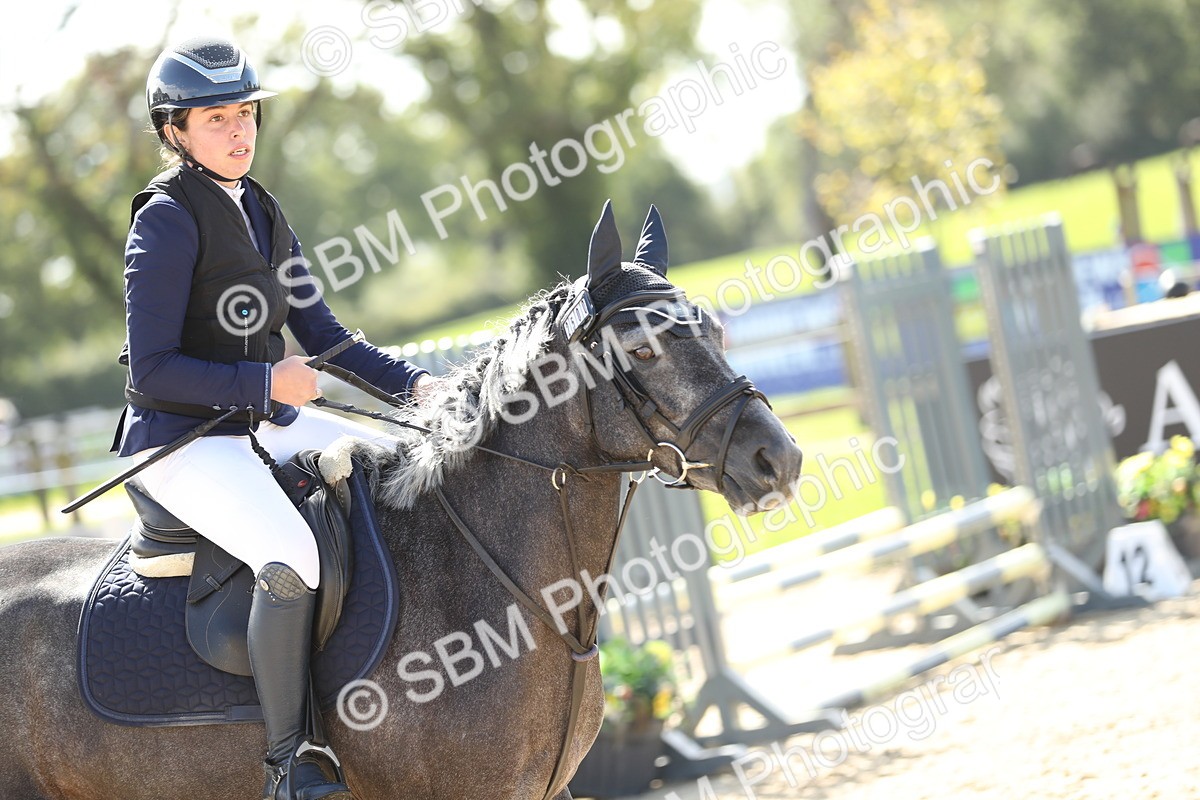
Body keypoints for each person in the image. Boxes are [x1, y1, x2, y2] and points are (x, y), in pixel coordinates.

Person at [112, 36, 428, 800]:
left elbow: (324, 336)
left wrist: (420, 391)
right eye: (216, 117)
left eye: (246, 112)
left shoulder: (259, 207)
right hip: (177, 442)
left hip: (258, 422)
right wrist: (266, 380)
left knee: (399, 465)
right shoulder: (164, 219)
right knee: (290, 553)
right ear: (174, 131)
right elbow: (152, 367)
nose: (239, 130)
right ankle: (291, 764)